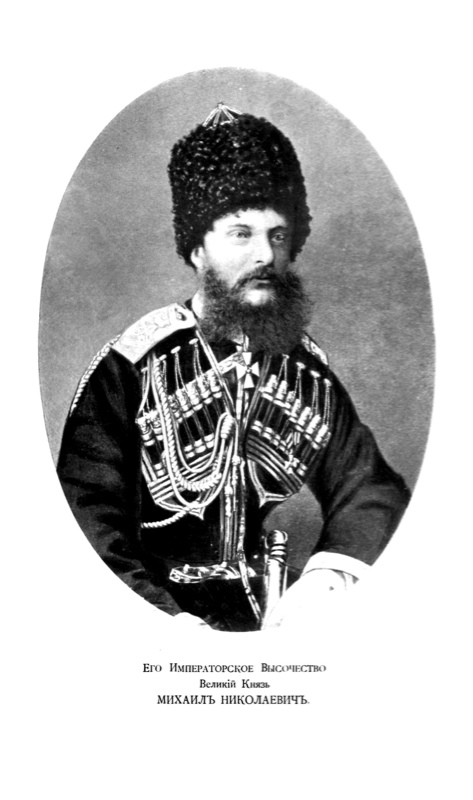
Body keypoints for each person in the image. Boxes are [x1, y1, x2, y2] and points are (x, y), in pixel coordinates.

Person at [57, 103, 410, 632]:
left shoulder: (302, 369)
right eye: (241, 234)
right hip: (155, 613)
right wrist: (164, 622)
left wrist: (328, 577)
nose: (265, 255)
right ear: (198, 249)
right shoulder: (131, 366)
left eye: (278, 235)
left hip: (269, 611)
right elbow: (84, 519)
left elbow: (372, 488)